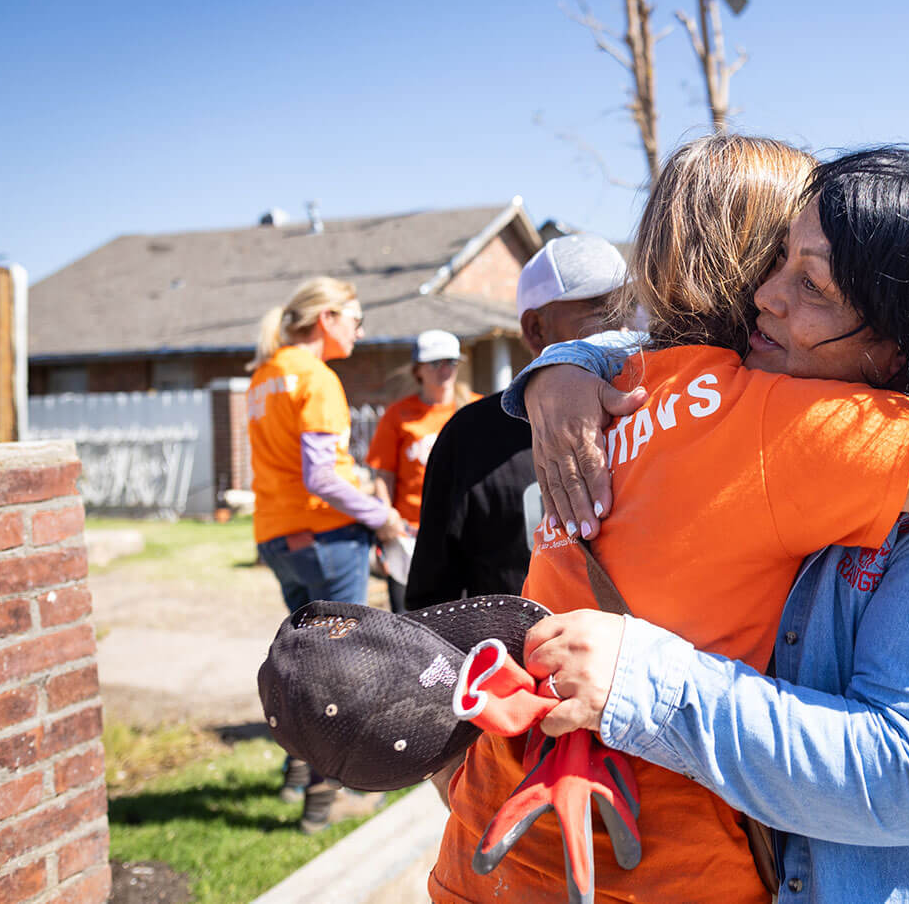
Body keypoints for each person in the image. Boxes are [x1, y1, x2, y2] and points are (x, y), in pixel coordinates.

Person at [426, 137, 909, 904]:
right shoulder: (777, 402)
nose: (766, 295)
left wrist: (637, 676)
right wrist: (568, 365)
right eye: (774, 261)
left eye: (813, 284)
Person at [247, 275, 406, 832]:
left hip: (277, 532)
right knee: (337, 669)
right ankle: (326, 797)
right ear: (327, 320)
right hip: (325, 536)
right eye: (356, 321)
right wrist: (380, 514)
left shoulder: (264, 377)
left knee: (302, 661)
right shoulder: (317, 378)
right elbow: (319, 476)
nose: (361, 332)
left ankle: (297, 773)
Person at [402, 233, 628, 612]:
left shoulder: (658, 402)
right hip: (523, 660)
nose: (621, 330)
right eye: (599, 314)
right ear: (535, 329)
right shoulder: (472, 436)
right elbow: (434, 599)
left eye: (629, 308)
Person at [366, 329, 476, 613]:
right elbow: (384, 473)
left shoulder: (475, 408)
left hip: (464, 533)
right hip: (410, 534)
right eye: (435, 363)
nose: (445, 370)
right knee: (411, 618)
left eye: (451, 362)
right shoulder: (398, 414)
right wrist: (386, 520)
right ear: (418, 370)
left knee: (462, 617)